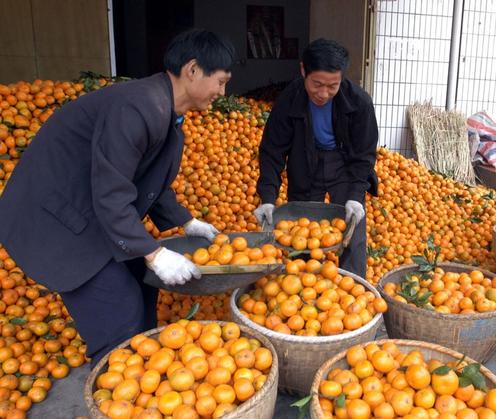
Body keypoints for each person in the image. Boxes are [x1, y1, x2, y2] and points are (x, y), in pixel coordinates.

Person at [0, 29, 234, 366]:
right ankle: (116, 389)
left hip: (91, 212)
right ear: (193, 69)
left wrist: (186, 221)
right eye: (221, 81)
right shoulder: (136, 107)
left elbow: (145, 180)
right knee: (119, 310)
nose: (222, 92)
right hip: (58, 220)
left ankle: (142, 370)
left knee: (144, 283)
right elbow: (111, 193)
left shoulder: (164, 110)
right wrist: (154, 253)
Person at [254, 39, 378, 279]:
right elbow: (272, 151)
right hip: (304, 160)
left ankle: (354, 288)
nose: (324, 93)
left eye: (333, 86)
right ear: (303, 71)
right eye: (317, 84)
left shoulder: (359, 102)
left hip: (344, 165)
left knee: (352, 225)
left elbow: (364, 155)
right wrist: (267, 198)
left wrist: (355, 196)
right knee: (300, 228)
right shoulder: (289, 100)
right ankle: (300, 285)